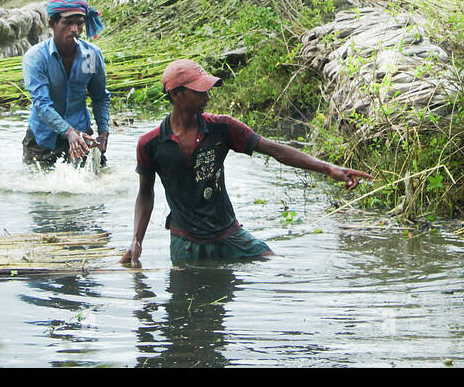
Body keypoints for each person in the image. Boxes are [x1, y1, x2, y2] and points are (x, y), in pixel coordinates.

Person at [120, 60, 371, 266]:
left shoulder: (222, 128)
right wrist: (136, 240)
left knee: (274, 263)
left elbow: (274, 150)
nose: (207, 96)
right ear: (176, 95)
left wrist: (328, 168)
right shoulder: (150, 144)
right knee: (188, 306)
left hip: (229, 234)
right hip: (185, 241)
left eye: (207, 89)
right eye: (199, 91)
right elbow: (145, 194)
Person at [21, 0, 110, 167]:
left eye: (79, 23)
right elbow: (41, 103)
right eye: (68, 23)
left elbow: (100, 97)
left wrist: (103, 132)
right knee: (39, 188)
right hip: (43, 138)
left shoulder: (91, 55)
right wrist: (68, 132)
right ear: (52, 24)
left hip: (81, 136)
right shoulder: (36, 57)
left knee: (94, 184)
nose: (74, 29)